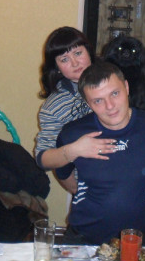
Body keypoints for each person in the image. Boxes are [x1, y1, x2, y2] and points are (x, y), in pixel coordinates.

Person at [55, 60, 145, 245]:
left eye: (115, 93)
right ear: (88, 103)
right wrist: (80, 191)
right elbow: (63, 173)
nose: (110, 106)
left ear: (126, 87)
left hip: (136, 240)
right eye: (98, 100)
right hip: (83, 238)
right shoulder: (72, 134)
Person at [34, 27, 116, 191]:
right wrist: (74, 150)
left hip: (134, 176)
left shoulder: (114, 79)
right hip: (94, 188)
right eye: (64, 59)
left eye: (78, 53)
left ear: (89, 52)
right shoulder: (54, 107)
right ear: (56, 66)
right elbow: (42, 158)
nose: (74, 63)